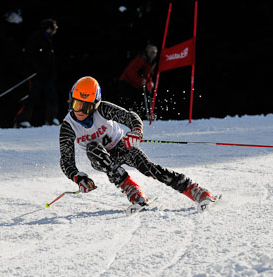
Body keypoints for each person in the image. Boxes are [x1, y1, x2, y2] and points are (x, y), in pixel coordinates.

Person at [59, 76, 216, 210]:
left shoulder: (103, 109)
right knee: (93, 148)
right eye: (75, 104)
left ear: (95, 106)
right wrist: (78, 178)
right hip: (99, 158)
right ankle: (132, 190)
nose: (78, 111)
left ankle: (195, 190)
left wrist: (136, 131)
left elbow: (129, 116)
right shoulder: (68, 127)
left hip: (121, 147)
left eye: (84, 107)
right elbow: (66, 161)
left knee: (149, 168)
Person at [14, 18, 60, 128]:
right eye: (50, 30)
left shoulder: (48, 41)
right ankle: (21, 120)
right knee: (33, 96)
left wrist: (51, 72)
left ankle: (51, 119)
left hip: (47, 75)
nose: (51, 32)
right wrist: (35, 69)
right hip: (36, 75)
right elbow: (29, 56)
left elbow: (50, 60)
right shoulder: (35, 38)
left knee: (51, 96)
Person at [118, 44, 158, 118]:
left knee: (139, 102)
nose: (153, 54)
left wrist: (149, 84)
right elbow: (131, 72)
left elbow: (148, 76)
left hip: (136, 85)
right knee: (128, 103)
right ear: (147, 52)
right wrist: (140, 81)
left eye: (155, 52)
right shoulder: (140, 60)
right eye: (152, 52)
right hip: (126, 83)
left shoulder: (151, 62)